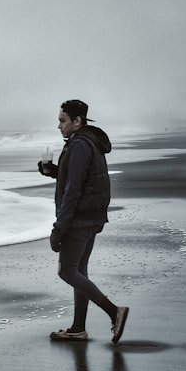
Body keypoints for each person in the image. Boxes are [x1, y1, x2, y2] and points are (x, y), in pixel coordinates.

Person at [38, 99, 129, 342]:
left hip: (79, 219)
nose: (59, 126)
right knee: (80, 270)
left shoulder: (79, 145)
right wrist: (53, 171)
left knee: (67, 272)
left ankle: (114, 312)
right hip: (93, 216)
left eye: (62, 120)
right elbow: (78, 177)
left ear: (77, 121)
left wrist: (59, 228)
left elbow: (73, 191)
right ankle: (78, 328)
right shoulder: (88, 141)